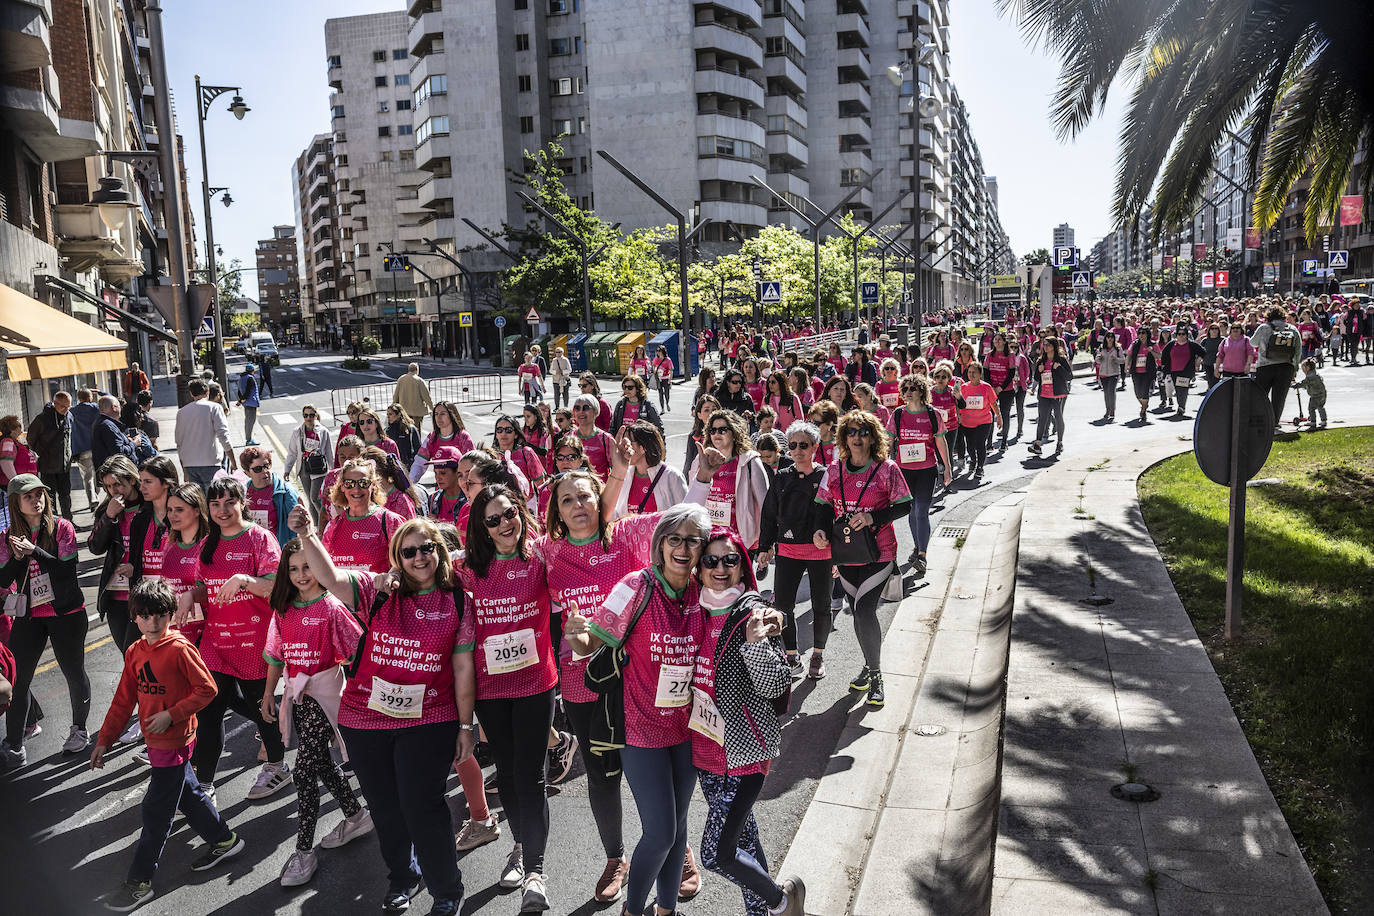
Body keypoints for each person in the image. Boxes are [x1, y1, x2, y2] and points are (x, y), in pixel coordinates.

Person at [291, 508, 473, 916]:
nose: (419, 557)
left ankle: (447, 888)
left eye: (427, 548)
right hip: (364, 719)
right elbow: (332, 579)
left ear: (440, 552)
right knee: (386, 807)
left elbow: (462, 669)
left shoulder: (459, 599)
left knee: (421, 804)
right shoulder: (379, 589)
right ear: (397, 557)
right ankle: (403, 879)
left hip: (428, 719)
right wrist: (307, 534)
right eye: (409, 552)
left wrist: (465, 725)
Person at [562, 505, 711, 916]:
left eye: (692, 540)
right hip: (641, 728)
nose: (682, 548)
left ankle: (666, 910)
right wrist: (578, 637)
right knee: (661, 832)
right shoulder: (637, 585)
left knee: (678, 829)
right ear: (659, 543)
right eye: (674, 538)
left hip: (688, 728)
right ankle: (634, 909)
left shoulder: (703, 590)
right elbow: (593, 642)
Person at [90, 579, 244, 913]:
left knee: (155, 813)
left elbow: (208, 690)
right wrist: (104, 739)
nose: (153, 622)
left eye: (160, 614)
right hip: (157, 742)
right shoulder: (134, 651)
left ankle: (139, 882)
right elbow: (123, 700)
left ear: (171, 614)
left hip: (174, 742)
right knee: (189, 796)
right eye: (145, 615)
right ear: (135, 617)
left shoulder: (180, 648)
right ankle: (224, 840)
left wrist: (171, 715)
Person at [691, 529, 805, 916]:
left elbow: (776, 685)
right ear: (699, 568)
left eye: (729, 560)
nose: (720, 568)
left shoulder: (752, 613)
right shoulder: (695, 612)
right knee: (745, 841)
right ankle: (764, 912)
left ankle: (783, 900)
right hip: (706, 754)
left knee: (716, 854)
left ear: (742, 565)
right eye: (710, 560)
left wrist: (756, 644)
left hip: (744, 757)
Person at [456, 485, 558, 910]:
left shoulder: (540, 555)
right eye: (493, 520)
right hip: (491, 690)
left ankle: (535, 869)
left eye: (509, 513)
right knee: (510, 776)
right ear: (481, 528)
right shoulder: (466, 568)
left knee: (530, 775)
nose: (504, 524)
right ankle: (520, 844)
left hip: (536, 684)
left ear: (521, 512)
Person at [260, 539, 372, 887]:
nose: (301, 574)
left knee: (305, 770)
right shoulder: (283, 609)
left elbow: (358, 654)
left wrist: (362, 699)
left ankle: (304, 851)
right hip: (299, 696)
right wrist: (269, 693)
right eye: (293, 569)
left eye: (307, 566)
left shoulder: (333, 608)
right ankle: (356, 815)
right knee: (320, 762)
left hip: (327, 696)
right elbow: (277, 655)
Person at [177, 476, 289, 799]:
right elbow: (208, 588)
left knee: (263, 708)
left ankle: (278, 766)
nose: (222, 510)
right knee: (209, 711)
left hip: (254, 643)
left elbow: (273, 588)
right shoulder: (207, 544)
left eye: (229, 502)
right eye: (215, 504)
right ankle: (207, 785)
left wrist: (242, 579)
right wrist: (189, 595)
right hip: (216, 643)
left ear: (243, 502)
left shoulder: (260, 539)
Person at [812, 411, 912, 708]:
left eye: (864, 432)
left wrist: (872, 516)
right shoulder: (833, 469)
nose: (857, 437)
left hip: (879, 552)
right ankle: (870, 665)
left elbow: (904, 504)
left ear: (873, 437)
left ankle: (877, 676)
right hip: (845, 553)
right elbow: (821, 507)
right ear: (844, 437)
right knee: (857, 612)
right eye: (851, 431)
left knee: (865, 610)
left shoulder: (886, 469)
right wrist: (819, 530)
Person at [0, 474, 92, 766]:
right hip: (30, 615)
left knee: (73, 672)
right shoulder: (7, 537)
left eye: (40, 494)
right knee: (19, 678)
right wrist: (16, 557)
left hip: (66, 613)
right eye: (28, 496)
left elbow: (67, 572)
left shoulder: (62, 527)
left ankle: (79, 729)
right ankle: (15, 743)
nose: (36, 500)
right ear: (16, 503)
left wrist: (35, 551)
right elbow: (4, 579)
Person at [757, 421, 833, 678]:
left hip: (820, 552)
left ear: (815, 446)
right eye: (792, 446)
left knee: (822, 605)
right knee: (783, 606)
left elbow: (836, 513)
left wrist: (839, 557)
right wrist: (765, 547)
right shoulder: (782, 477)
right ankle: (791, 656)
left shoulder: (826, 476)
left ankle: (818, 656)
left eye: (803, 445)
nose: (798, 450)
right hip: (788, 551)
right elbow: (769, 515)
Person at [887, 377, 952, 575]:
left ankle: (922, 555)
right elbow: (888, 442)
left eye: (912, 388)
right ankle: (917, 546)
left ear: (921, 391)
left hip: (927, 470)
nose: (907, 391)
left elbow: (941, 442)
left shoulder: (933, 414)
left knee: (921, 510)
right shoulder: (898, 414)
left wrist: (947, 468)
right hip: (904, 471)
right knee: (912, 511)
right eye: (904, 388)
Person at [686, 410, 770, 552]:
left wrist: (766, 543)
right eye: (712, 430)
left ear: (734, 432)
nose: (716, 434)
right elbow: (692, 496)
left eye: (722, 430)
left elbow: (766, 505)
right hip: (707, 539)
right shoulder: (701, 460)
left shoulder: (750, 461)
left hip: (740, 540)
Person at [90, 455, 146, 658]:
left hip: (142, 593)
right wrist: (109, 516)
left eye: (118, 484)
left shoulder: (148, 507)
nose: (114, 491)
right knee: (127, 656)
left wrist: (137, 568)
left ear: (132, 479)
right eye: (108, 487)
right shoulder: (107, 510)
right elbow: (95, 547)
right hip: (116, 597)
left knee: (140, 655)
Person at [320, 458, 407, 574]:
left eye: (363, 483)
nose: (356, 489)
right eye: (349, 483)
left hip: (379, 592)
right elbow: (323, 568)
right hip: (342, 592)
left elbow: (406, 564)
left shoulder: (391, 522)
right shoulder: (333, 526)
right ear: (342, 487)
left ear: (373, 486)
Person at [609, 421, 688, 517]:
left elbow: (685, 514)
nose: (624, 447)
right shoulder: (624, 475)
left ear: (643, 447)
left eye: (629, 442)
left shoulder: (672, 476)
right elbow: (615, 514)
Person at [176, 380, 236, 492]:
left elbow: (179, 443)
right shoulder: (215, 408)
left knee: (200, 502)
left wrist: (184, 470)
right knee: (215, 499)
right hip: (211, 462)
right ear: (207, 391)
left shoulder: (181, 412)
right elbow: (224, 437)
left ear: (191, 393)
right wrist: (233, 462)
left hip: (190, 465)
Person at [238, 445, 302, 545]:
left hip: (278, 549)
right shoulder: (243, 492)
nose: (265, 471)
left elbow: (298, 527)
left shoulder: (285, 491)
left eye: (266, 466)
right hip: (254, 549)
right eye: (258, 469)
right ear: (247, 473)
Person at [1250, 306, 1302, 424]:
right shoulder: (1292, 329)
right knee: (1279, 397)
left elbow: (1253, 343)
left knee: (1261, 395)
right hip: (1286, 366)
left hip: (1265, 365)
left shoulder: (1264, 328)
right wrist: (1295, 367)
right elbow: (1298, 350)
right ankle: (1274, 422)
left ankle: (1261, 420)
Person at [285, 404, 333, 526]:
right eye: (305, 415)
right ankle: (318, 527)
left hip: (318, 468)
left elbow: (329, 453)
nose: (308, 418)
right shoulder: (297, 432)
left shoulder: (323, 431)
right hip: (304, 468)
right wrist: (287, 469)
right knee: (310, 501)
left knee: (315, 498)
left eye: (311, 415)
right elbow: (292, 452)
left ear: (316, 415)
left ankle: (327, 522)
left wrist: (334, 472)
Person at [28, 391, 73, 520]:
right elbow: (31, 438)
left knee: (65, 495)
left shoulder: (69, 416)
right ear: (55, 404)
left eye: (68, 406)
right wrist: (41, 452)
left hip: (64, 465)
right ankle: (52, 522)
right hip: (48, 465)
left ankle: (68, 521)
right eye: (63, 406)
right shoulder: (42, 419)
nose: (66, 410)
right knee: (49, 496)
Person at [955, 363, 1000, 480]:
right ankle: (973, 460)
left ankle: (980, 467)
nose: (971, 374)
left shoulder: (986, 387)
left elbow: (993, 403)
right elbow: (958, 404)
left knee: (980, 444)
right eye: (969, 372)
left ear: (980, 374)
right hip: (967, 422)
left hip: (984, 421)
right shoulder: (963, 387)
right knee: (970, 445)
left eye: (974, 372)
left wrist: (999, 416)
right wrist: (958, 415)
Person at [410, 401, 475, 481]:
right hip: (441, 487)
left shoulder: (463, 437)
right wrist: (410, 484)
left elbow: (472, 464)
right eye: (436, 414)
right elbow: (419, 464)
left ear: (452, 415)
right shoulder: (432, 438)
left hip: (460, 486)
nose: (438, 417)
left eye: (443, 414)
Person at [572, 394, 618, 482]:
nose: (581, 411)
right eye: (577, 408)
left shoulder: (607, 439)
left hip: (599, 491)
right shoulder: (568, 437)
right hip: (574, 491)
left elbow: (616, 470)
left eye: (586, 408)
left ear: (596, 412)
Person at [1161, 329, 1205, 419]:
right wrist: (1164, 366)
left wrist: (1198, 361)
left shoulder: (1191, 344)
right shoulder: (1172, 344)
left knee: (1183, 389)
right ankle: (1180, 404)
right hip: (1174, 370)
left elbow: (1202, 352)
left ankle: (1181, 406)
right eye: (1179, 334)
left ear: (1186, 335)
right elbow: (1164, 354)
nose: (1181, 336)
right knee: (1177, 389)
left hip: (1186, 371)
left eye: (1183, 334)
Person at [70, 388, 101, 507]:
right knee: (97, 473)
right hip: (96, 446)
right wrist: (99, 392)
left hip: (81, 448)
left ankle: (92, 498)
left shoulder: (72, 411)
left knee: (87, 476)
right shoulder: (96, 408)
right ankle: (96, 494)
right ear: (90, 397)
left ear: (78, 398)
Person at [392, 363, 434, 431]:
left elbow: (396, 395)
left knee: (406, 430)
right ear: (417, 370)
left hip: (404, 411)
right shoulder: (419, 381)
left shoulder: (401, 379)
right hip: (417, 412)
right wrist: (432, 409)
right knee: (416, 431)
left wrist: (393, 407)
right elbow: (426, 397)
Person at [1094, 335, 1126, 422]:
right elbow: (1097, 359)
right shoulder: (1101, 347)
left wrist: (1116, 359)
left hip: (1114, 373)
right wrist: (1098, 358)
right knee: (1106, 392)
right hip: (1103, 373)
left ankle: (1112, 410)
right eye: (1108, 337)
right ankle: (1107, 409)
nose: (1110, 338)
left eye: (1112, 337)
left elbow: (1123, 360)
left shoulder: (1118, 348)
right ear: (1106, 339)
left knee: (1111, 391)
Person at [386, 404, 422, 470]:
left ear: (399, 414)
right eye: (387, 414)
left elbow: (418, 448)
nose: (388, 417)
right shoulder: (387, 430)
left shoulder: (410, 429)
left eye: (390, 414)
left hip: (408, 466)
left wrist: (411, 461)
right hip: (393, 467)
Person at [1294, 358, 1327, 428]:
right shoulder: (1314, 374)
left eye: (1303, 368)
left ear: (1308, 368)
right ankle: (1323, 421)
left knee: (1311, 408)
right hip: (1322, 394)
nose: (1302, 370)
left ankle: (1313, 421)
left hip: (1316, 395)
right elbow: (1311, 384)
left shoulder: (1310, 376)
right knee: (1320, 407)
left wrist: (1295, 386)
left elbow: (1303, 383)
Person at [236, 364, 261, 445]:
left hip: (246, 403)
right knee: (250, 421)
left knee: (248, 421)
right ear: (252, 370)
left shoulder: (241, 378)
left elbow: (239, 391)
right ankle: (249, 440)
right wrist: (243, 399)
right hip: (251, 402)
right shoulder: (250, 378)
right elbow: (248, 390)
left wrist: (241, 400)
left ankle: (249, 439)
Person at [650, 346, 674, 413]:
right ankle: (662, 408)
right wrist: (655, 370)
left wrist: (670, 379)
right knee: (660, 393)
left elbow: (671, 370)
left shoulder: (668, 360)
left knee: (667, 393)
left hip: (666, 378)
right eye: (657, 351)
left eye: (659, 351)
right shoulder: (656, 359)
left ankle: (667, 403)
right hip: (658, 379)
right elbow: (653, 366)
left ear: (663, 351)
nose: (658, 352)